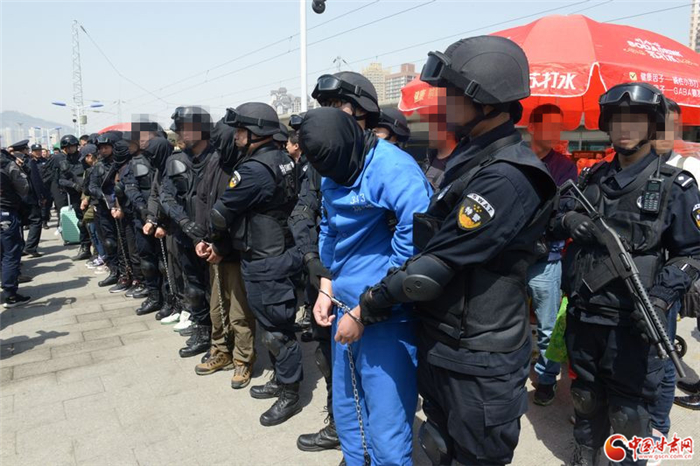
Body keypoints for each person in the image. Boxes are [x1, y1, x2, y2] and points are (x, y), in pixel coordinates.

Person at [356, 36, 557, 466]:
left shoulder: (507, 176)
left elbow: (432, 267)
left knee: (474, 457)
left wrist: (373, 299)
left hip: (480, 358)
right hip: (447, 341)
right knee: (438, 445)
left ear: (485, 101)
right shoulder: (473, 157)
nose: (443, 101)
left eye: (452, 93)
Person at [557, 82, 700, 465]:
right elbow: (555, 215)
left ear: (652, 125)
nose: (625, 128)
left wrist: (661, 297)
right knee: (585, 399)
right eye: (618, 119)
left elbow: (692, 253)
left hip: (634, 325)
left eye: (636, 119)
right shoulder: (592, 178)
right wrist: (569, 220)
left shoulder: (675, 186)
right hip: (585, 318)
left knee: (629, 415)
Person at [303, 105, 432, 466]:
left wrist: (365, 310)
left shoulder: (395, 170)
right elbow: (330, 229)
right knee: (349, 411)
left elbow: (412, 253)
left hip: (385, 315)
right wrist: (326, 286)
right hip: (342, 309)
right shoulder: (331, 168)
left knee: (386, 424)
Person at [296, 71, 383, 454]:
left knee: (378, 384)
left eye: (338, 106)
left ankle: (370, 444)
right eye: (326, 108)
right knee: (331, 362)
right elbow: (305, 212)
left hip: (377, 297)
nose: (330, 115)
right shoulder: (322, 160)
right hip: (328, 280)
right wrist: (317, 267)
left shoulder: (384, 163)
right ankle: (344, 431)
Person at [209, 102, 301, 426]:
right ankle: (280, 379)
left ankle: (290, 393)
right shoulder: (282, 159)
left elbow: (220, 214)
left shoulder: (253, 170)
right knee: (273, 324)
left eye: (241, 131)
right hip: (277, 252)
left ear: (256, 132)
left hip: (265, 258)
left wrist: (214, 239)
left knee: (277, 331)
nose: (236, 136)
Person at [192, 118, 257, 389]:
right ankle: (221, 350)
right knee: (217, 307)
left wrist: (222, 247)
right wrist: (202, 238)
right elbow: (202, 200)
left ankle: (243, 359)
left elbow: (242, 215)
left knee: (239, 312)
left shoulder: (246, 165)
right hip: (213, 247)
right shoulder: (214, 162)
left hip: (235, 252)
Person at [650, 99, 700, 419]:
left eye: (670, 126)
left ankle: (659, 423)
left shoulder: (689, 168)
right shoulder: (637, 165)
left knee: (664, 353)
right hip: (640, 277)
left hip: (673, 277)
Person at [525, 104, 578, 406]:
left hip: (547, 259)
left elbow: (564, 207)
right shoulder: (514, 158)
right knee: (511, 323)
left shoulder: (565, 167)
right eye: (548, 126)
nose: (555, 132)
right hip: (512, 257)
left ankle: (546, 380)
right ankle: (512, 374)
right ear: (531, 128)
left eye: (558, 126)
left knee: (549, 327)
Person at [160, 106, 215, 357]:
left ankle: (222, 336)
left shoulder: (218, 158)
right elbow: (166, 196)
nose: (180, 134)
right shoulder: (175, 161)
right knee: (193, 287)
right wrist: (183, 222)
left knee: (218, 291)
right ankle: (202, 329)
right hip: (185, 235)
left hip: (215, 237)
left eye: (185, 129)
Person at [122, 123, 169, 315]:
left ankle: (170, 300)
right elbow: (131, 187)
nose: (141, 142)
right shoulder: (135, 163)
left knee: (165, 263)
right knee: (147, 261)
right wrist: (143, 209)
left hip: (165, 219)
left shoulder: (167, 160)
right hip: (142, 218)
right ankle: (154, 296)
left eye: (145, 138)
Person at [88, 132, 122, 286]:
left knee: (123, 243)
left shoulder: (120, 164)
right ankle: (114, 271)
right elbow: (92, 186)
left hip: (121, 208)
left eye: (106, 147)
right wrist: (104, 197)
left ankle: (127, 273)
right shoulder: (98, 166)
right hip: (104, 208)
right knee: (109, 242)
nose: (103, 150)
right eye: (101, 148)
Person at [1, 148, 31, 308]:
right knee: (10, 253)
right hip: (5, 211)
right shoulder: (7, 163)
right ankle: (10, 294)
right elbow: (24, 187)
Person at [58, 134, 92, 259]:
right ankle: (85, 247)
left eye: (72, 146)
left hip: (88, 194)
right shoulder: (64, 162)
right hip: (75, 195)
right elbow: (60, 180)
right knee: (81, 223)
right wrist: (73, 185)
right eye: (67, 147)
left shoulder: (84, 159)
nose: (69, 149)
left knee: (91, 222)